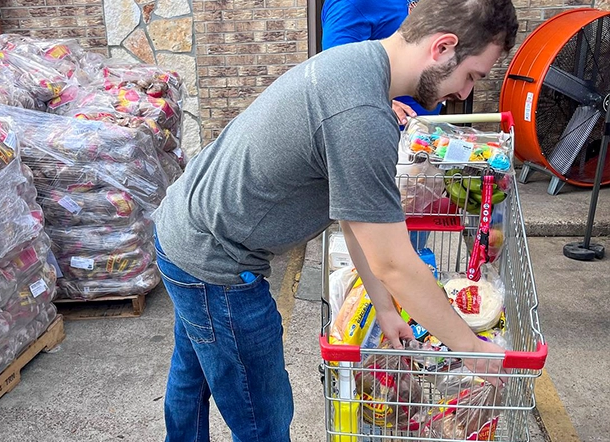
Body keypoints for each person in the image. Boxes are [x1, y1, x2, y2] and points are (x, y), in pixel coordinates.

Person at [152, 0, 518, 440]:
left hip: (180, 226)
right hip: (216, 260)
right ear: (443, 48)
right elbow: (395, 263)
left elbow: (353, 215)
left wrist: (384, 308)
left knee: (192, 379)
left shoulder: (356, 64)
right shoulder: (362, 116)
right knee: (261, 413)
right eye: (472, 76)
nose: (463, 93)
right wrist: (472, 348)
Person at [321, 0, 442, 126]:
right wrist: (380, 105)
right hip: (387, 130)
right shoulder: (351, 3)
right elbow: (335, 72)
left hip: (426, 129)